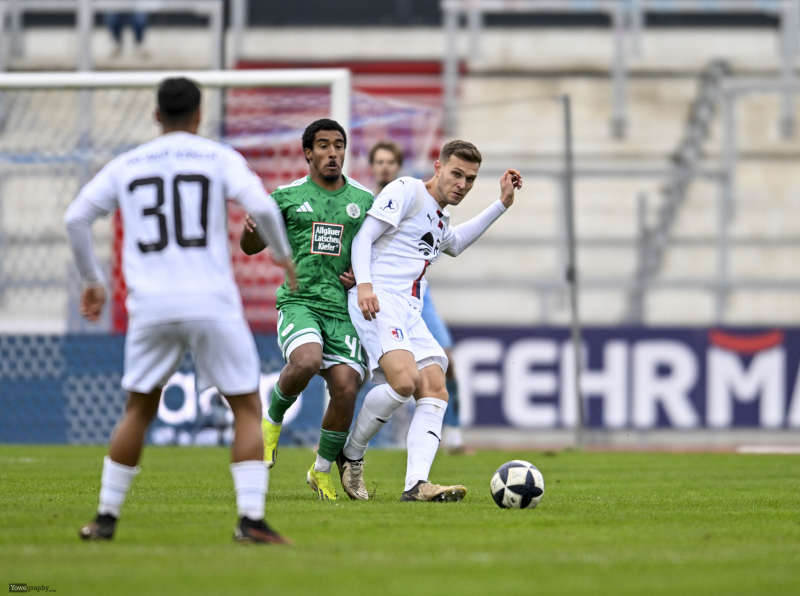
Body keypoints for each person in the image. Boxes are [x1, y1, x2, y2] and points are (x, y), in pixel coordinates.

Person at [65, 77, 296, 545]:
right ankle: (250, 520)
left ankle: (106, 517)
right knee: (247, 408)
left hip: (150, 305)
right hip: (210, 300)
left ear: (156, 116)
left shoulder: (127, 164)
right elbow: (262, 206)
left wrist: (94, 281)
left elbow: (76, 217)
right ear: (198, 115)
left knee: (139, 409)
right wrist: (280, 255)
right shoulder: (218, 157)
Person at [342, 140, 522, 501]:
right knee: (405, 381)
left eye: (470, 179)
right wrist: (364, 287)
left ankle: (417, 484)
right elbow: (365, 237)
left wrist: (501, 204)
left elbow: (454, 243)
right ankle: (351, 454)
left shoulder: (441, 217)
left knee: (435, 386)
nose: (463, 184)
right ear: (438, 167)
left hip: (409, 310)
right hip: (379, 300)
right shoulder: (407, 189)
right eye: (456, 174)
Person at [240, 119, 374, 501]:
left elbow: (378, 251)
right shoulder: (284, 197)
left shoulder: (364, 201)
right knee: (307, 361)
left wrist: (363, 278)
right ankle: (271, 425)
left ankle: (321, 471)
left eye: (339, 146)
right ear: (308, 153)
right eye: (324, 146)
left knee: (347, 387)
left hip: (341, 309)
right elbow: (249, 248)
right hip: (300, 302)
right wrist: (252, 229)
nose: (333, 153)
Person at [369, 140, 467, 454]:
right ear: (372, 167)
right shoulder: (365, 203)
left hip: (417, 295)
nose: (384, 167)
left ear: (398, 167)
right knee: (360, 373)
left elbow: (451, 242)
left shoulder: (414, 196)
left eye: (390, 162)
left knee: (445, 363)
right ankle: (347, 439)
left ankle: (452, 434)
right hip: (378, 295)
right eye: (379, 162)